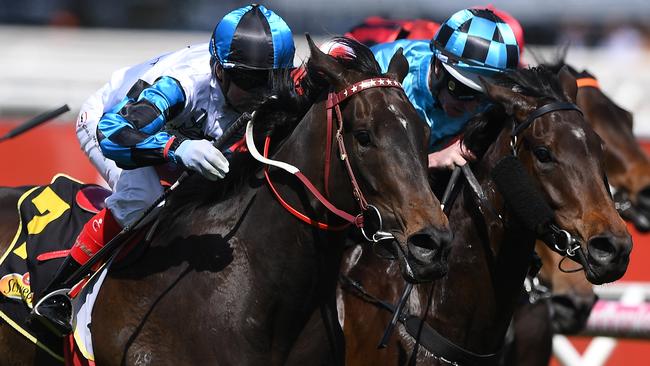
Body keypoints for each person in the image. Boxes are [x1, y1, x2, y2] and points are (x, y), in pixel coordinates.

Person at [33, 4, 295, 335]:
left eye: (270, 81)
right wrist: (176, 149)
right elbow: (114, 134)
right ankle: (59, 292)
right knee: (148, 199)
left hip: (181, 134)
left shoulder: (271, 85)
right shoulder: (182, 84)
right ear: (219, 70)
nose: (260, 94)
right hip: (110, 123)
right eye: (248, 80)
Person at [371, 8, 521, 169]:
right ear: (437, 67)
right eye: (465, 90)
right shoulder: (378, 71)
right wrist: (433, 159)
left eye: (483, 96)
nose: (472, 107)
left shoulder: (492, 105)